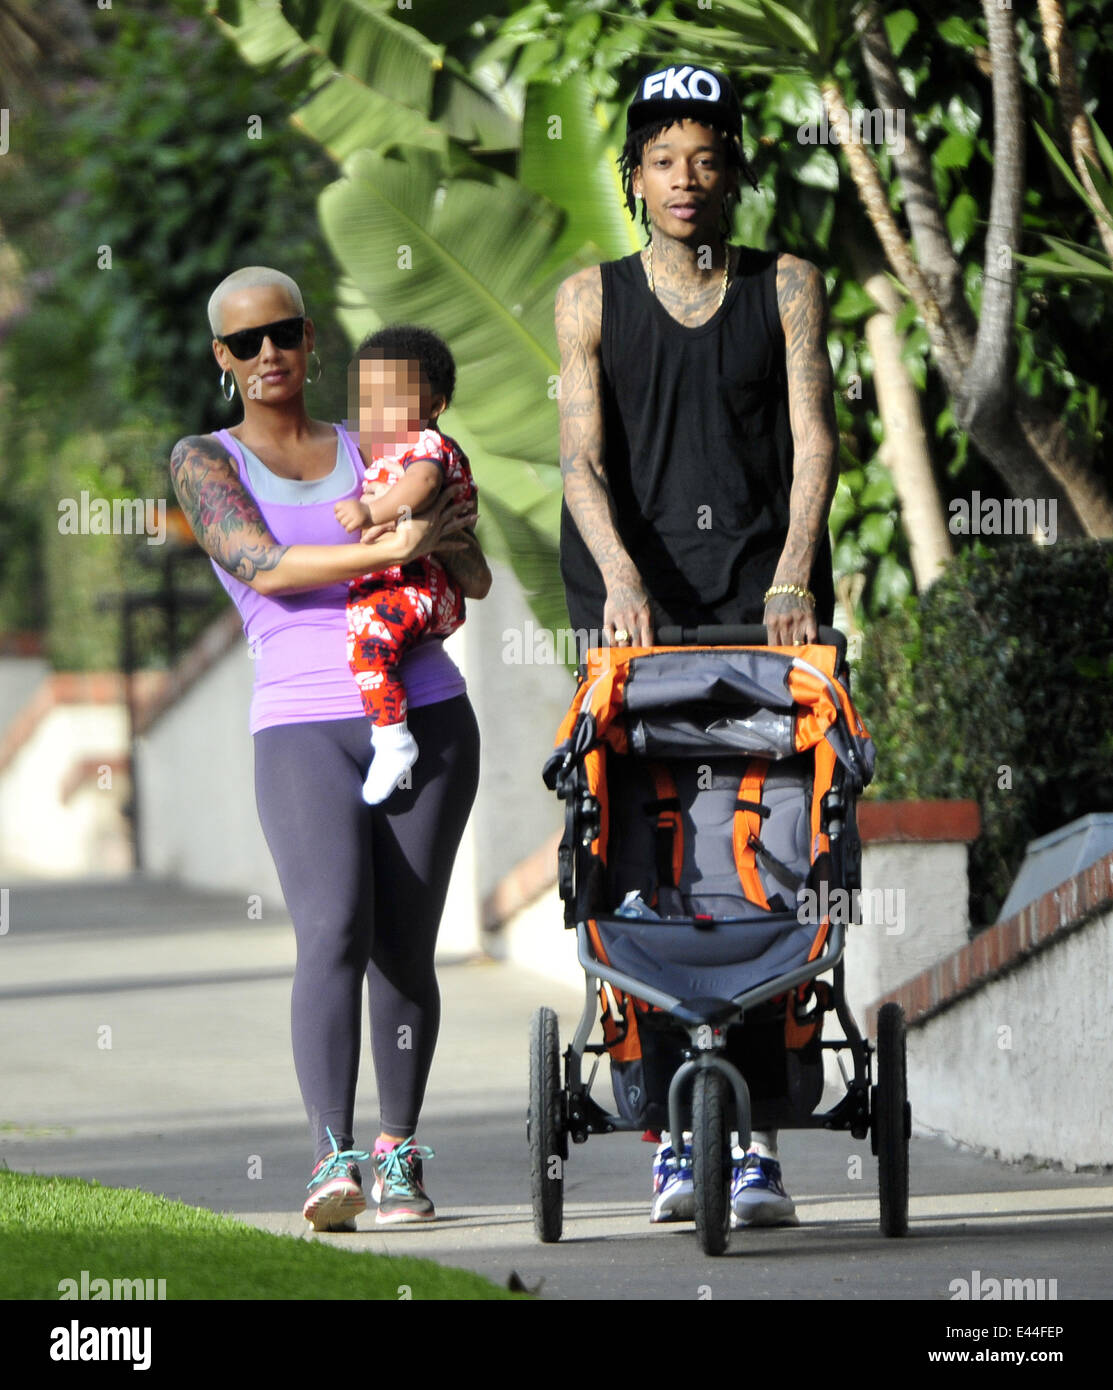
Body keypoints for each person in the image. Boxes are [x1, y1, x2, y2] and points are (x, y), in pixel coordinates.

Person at [556, 64, 839, 1228]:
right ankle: (676, 1135)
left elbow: (815, 438)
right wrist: (621, 578)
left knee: (768, 849)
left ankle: (757, 1144)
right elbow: (582, 461)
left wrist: (788, 575)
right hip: (639, 616)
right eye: (664, 159)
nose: (687, 179)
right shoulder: (588, 298)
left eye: (707, 157)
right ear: (635, 176)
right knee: (637, 851)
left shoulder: (787, 287)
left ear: (734, 172)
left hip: (767, 612)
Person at [169, 266, 491, 1229]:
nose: (268, 354)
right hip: (303, 726)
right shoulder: (205, 459)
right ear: (222, 360)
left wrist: (442, 531)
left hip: (427, 712)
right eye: (244, 343)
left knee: (403, 947)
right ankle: (330, 1158)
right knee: (333, 930)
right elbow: (260, 565)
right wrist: (392, 549)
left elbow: (467, 570)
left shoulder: (383, 446)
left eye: (284, 333)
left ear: (310, 340)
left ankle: (399, 1154)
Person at [334, 328, 478, 805]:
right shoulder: (390, 452)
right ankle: (391, 735)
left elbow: (421, 485)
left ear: (433, 405)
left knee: (370, 649)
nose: (378, 411)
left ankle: (394, 738)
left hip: (418, 587)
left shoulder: (427, 448)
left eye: (394, 397)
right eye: (369, 399)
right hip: (415, 587)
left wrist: (373, 514)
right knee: (369, 643)